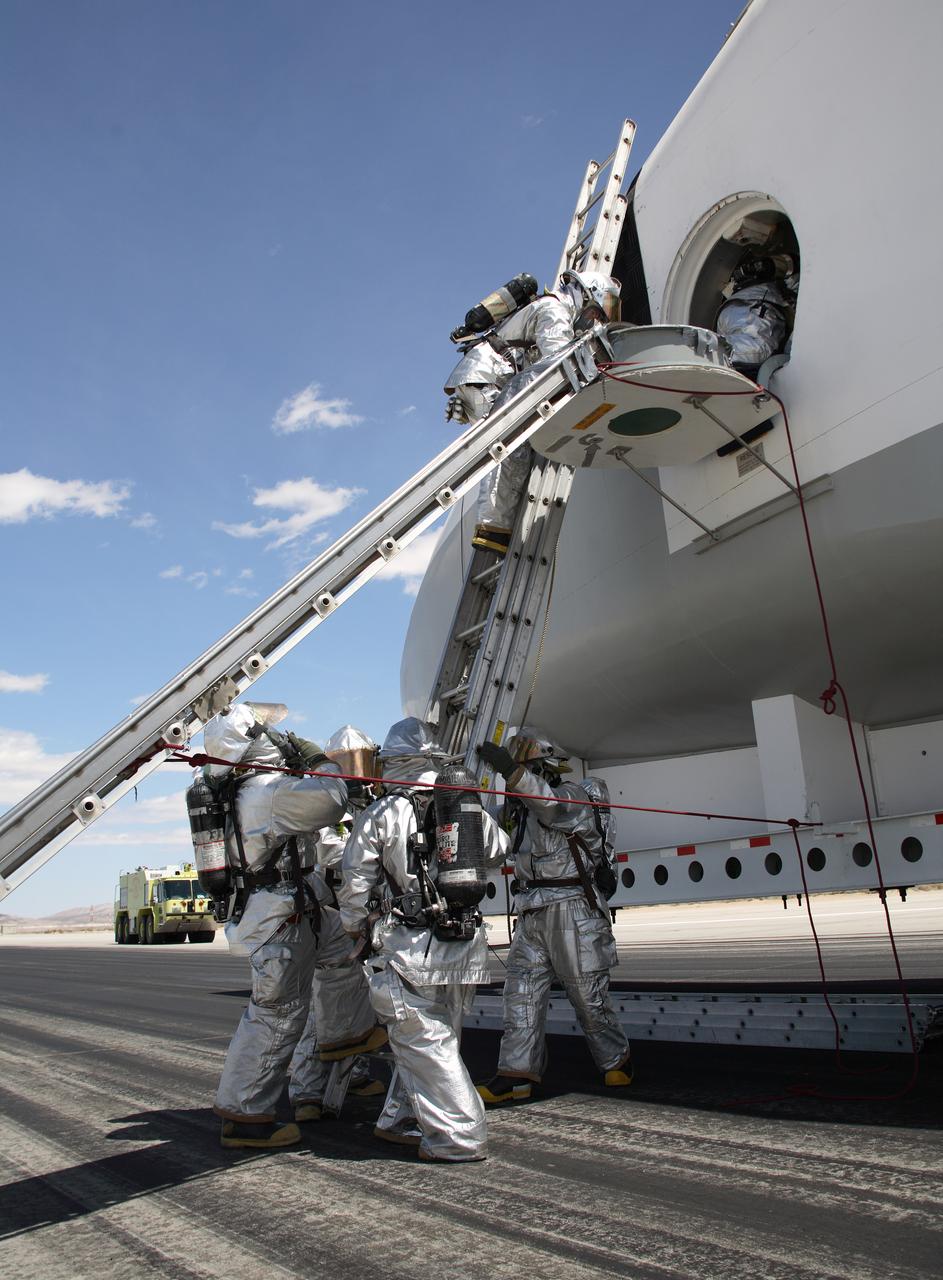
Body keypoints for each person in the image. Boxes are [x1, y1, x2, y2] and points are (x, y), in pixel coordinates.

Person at [204, 702, 385, 1149]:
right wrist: (316, 759)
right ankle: (245, 1116)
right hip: (279, 918)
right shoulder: (268, 791)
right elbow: (331, 799)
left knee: (343, 954)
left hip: (291, 909)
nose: (282, 738)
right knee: (275, 1015)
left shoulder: (244, 791)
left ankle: (345, 1036)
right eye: (273, 734)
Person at [339, 716, 509, 1162]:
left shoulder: (382, 813)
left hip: (409, 948)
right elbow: (498, 849)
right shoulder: (465, 805)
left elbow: (354, 883)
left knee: (425, 1041)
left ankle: (459, 1138)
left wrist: (356, 929)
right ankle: (400, 1117)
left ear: (394, 762)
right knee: (433, 1038)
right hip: (464, 944)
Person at [476, 727, 631, 1104]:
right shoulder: (516, 810)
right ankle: (516, 1073)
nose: (515, 777)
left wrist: (510, 771)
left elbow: (549, 805)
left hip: (572, 908)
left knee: (588, 996)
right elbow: (485, 829)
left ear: (542, 767)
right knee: (520, 996)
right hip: (531, 913)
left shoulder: (570, 797)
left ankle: (616, 1060)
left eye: (522, 768)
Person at [445, 271, 621, 555]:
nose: (591, 320)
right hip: (488, 377)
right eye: (592, 311)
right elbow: (558, 362)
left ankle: (496, 525)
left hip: (485, 377)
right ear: (583, 294)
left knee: (512, 446)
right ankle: (492, 530)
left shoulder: (547, 307)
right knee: (509, 447)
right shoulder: (555, 310)